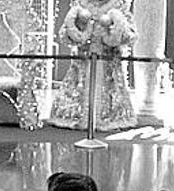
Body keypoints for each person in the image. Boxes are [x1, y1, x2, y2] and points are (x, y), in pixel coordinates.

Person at [48, 0, 138, 131]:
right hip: (83, 62)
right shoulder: (80, 4)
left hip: (109, 63)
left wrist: (115, 25)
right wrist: (79, 24)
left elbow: (131, 36)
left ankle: (105, 117)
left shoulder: (119, 4)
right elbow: (65, 35)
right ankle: (79, 116)